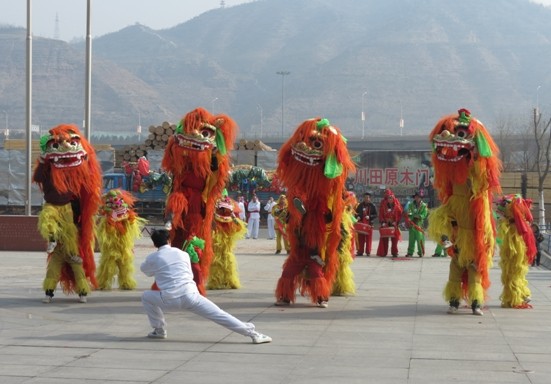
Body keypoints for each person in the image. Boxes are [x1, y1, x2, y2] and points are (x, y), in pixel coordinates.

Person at [140, 229, 272, 343]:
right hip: (190, 295)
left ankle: (159, 329)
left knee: (146, 296)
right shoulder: (183, 254)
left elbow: (147, 272)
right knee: (219, 314)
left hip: (169, 299)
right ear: (169, 239)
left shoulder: (153, 257)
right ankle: (253, 334)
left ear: (154, 243)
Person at [376, 189, 403, 257]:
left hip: (393, 224)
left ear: (393, 198)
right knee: (384, 239)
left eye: (391, 198)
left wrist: (395, 222)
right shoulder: (383, 205)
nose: (389, 199)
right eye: (388, 198)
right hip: (386, 224)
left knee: (394, 240)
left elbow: (399, 215)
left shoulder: (396, 206)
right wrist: (383, 222)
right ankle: (384, 252)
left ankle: (394, 252)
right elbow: (381, 214)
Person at [405, 192, 428, 257]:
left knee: (420, 239)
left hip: (419, 225)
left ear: (421, 198)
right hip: (412, 224)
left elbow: (425, 213)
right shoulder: (411, 204)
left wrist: (419, 216)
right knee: (411, 240)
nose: (417, 198)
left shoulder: (424, 205)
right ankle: (410, 253)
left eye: (418, 197)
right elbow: (408, 213)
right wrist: (411, 217)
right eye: (416, 197)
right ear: (414, 197)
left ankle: (420, 252)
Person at [355, 192, 377, 256]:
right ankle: (360, 251)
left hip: (369, 225)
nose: (366, 199)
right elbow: (356, 213)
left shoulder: (372, 206)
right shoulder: (360, 205)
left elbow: (375, 215)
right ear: (363, 198)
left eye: (368, 197)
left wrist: (370, 217)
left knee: (368, 239)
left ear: (370, 198)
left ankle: (368, 251)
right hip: (361, 224)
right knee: (360, 239)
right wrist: (358, 216)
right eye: (365, 197)